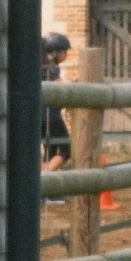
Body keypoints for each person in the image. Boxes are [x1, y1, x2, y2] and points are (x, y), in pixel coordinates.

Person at [40, 32, 73, 188]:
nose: (66, 55)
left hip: (38, 117)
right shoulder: (52, 70)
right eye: (64, 52)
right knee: (65, 150)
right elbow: (60, 90)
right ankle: (45, 180)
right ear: (56, 53)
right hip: (51, 117)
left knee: (48, 153)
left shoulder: (38, 67)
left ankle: (46, 184)